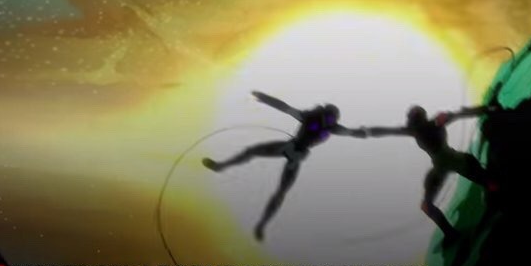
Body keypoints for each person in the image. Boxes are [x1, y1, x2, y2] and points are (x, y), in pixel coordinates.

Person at [203, 91, 367, 241]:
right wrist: (264, 98)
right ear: (323, 114)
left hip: (296, 155)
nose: (328, 121)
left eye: (331, 120)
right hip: (289, 147)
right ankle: (220, 166)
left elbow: (351, 132)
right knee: (251, 151)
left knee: (281, 192)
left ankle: (262, 224)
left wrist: (362, 133)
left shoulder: (333, 128)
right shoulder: (309, 117)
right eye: (327, 117)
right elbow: (284, 107)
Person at [366, 105, 498, 243]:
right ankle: (452, 233)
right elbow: (386, 130)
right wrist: (487, 109)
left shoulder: (423, 126)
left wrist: (364, 132)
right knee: (428, 205)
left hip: (451, 163)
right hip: (451, 163)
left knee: (490, 183)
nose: (411, 121)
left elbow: (386, 131)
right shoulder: (427, 125)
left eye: (413, 117)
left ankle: (453, 233)